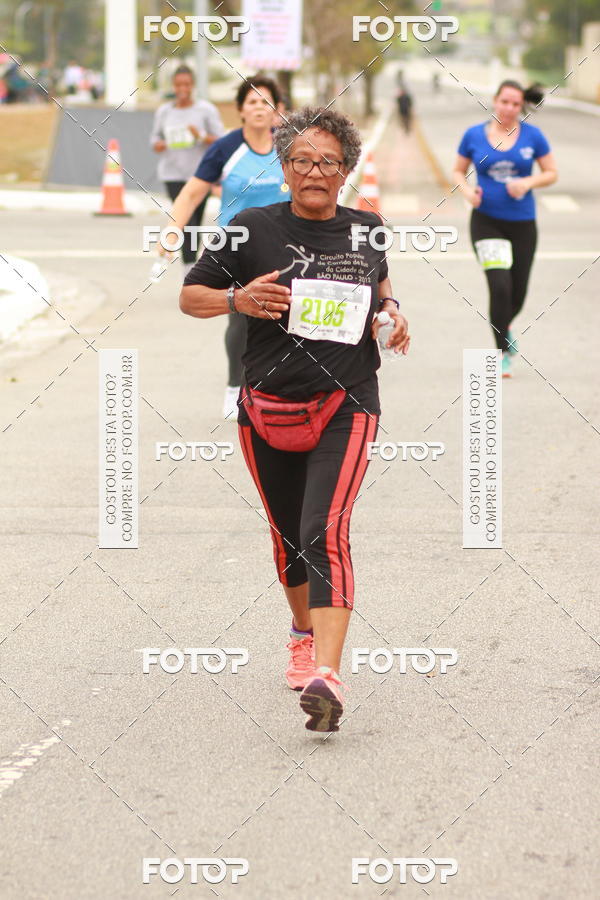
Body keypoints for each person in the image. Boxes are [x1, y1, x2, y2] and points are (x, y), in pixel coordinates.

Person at [179, 107, 410, 732]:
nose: (314, 171)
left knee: (323, 529)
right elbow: (189, 296)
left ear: (345, 171)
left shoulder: (369, 230)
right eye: (302, 160)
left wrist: (391, 311)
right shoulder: (250, 226)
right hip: (268, 409)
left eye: (328, 162)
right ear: (284, 168)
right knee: (288, 538)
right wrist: (238, 298)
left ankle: (326, 676)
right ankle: (302, 633)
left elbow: (380, 284)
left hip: (348, 401)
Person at [162, 75, 288, 419]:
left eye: (266, 102)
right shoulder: (226, 148)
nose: (259, 108)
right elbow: (191, 193)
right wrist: (173, 230)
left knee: (286, 316)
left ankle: (280, 389)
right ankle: (236, 386)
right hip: (237, 244)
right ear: (240, 111)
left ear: (277, 110)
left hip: (284, 244)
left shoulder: (290, 145)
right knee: (241, 317)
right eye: (251, 102)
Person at [453, 80, 558, 377]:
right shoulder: (473, 135)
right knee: (499, 286)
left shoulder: (533, 136)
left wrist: (527, 182)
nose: (509, 108)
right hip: (486, 221)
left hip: (523, 222)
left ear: (521, 105)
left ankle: (504, 328)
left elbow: (552, 173)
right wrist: (467, 192)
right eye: (504, 102)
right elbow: (457, 171)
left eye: (515, 104)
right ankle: (502, 352)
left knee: (518, 292)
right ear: (495, 100)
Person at [151, 65, 225, 277]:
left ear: (193, 85)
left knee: (195, 223)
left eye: (186, 84)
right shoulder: (164, 111)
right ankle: (189, 272)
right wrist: (161, 144)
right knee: (185, 221)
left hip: (200, 176)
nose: (182, 88)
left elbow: (220, 140)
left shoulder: (206, 110)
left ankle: (190, 269)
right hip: (173, 174)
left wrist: (200, 135)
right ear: (173, 86)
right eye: (178, 84)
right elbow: (154, 140)